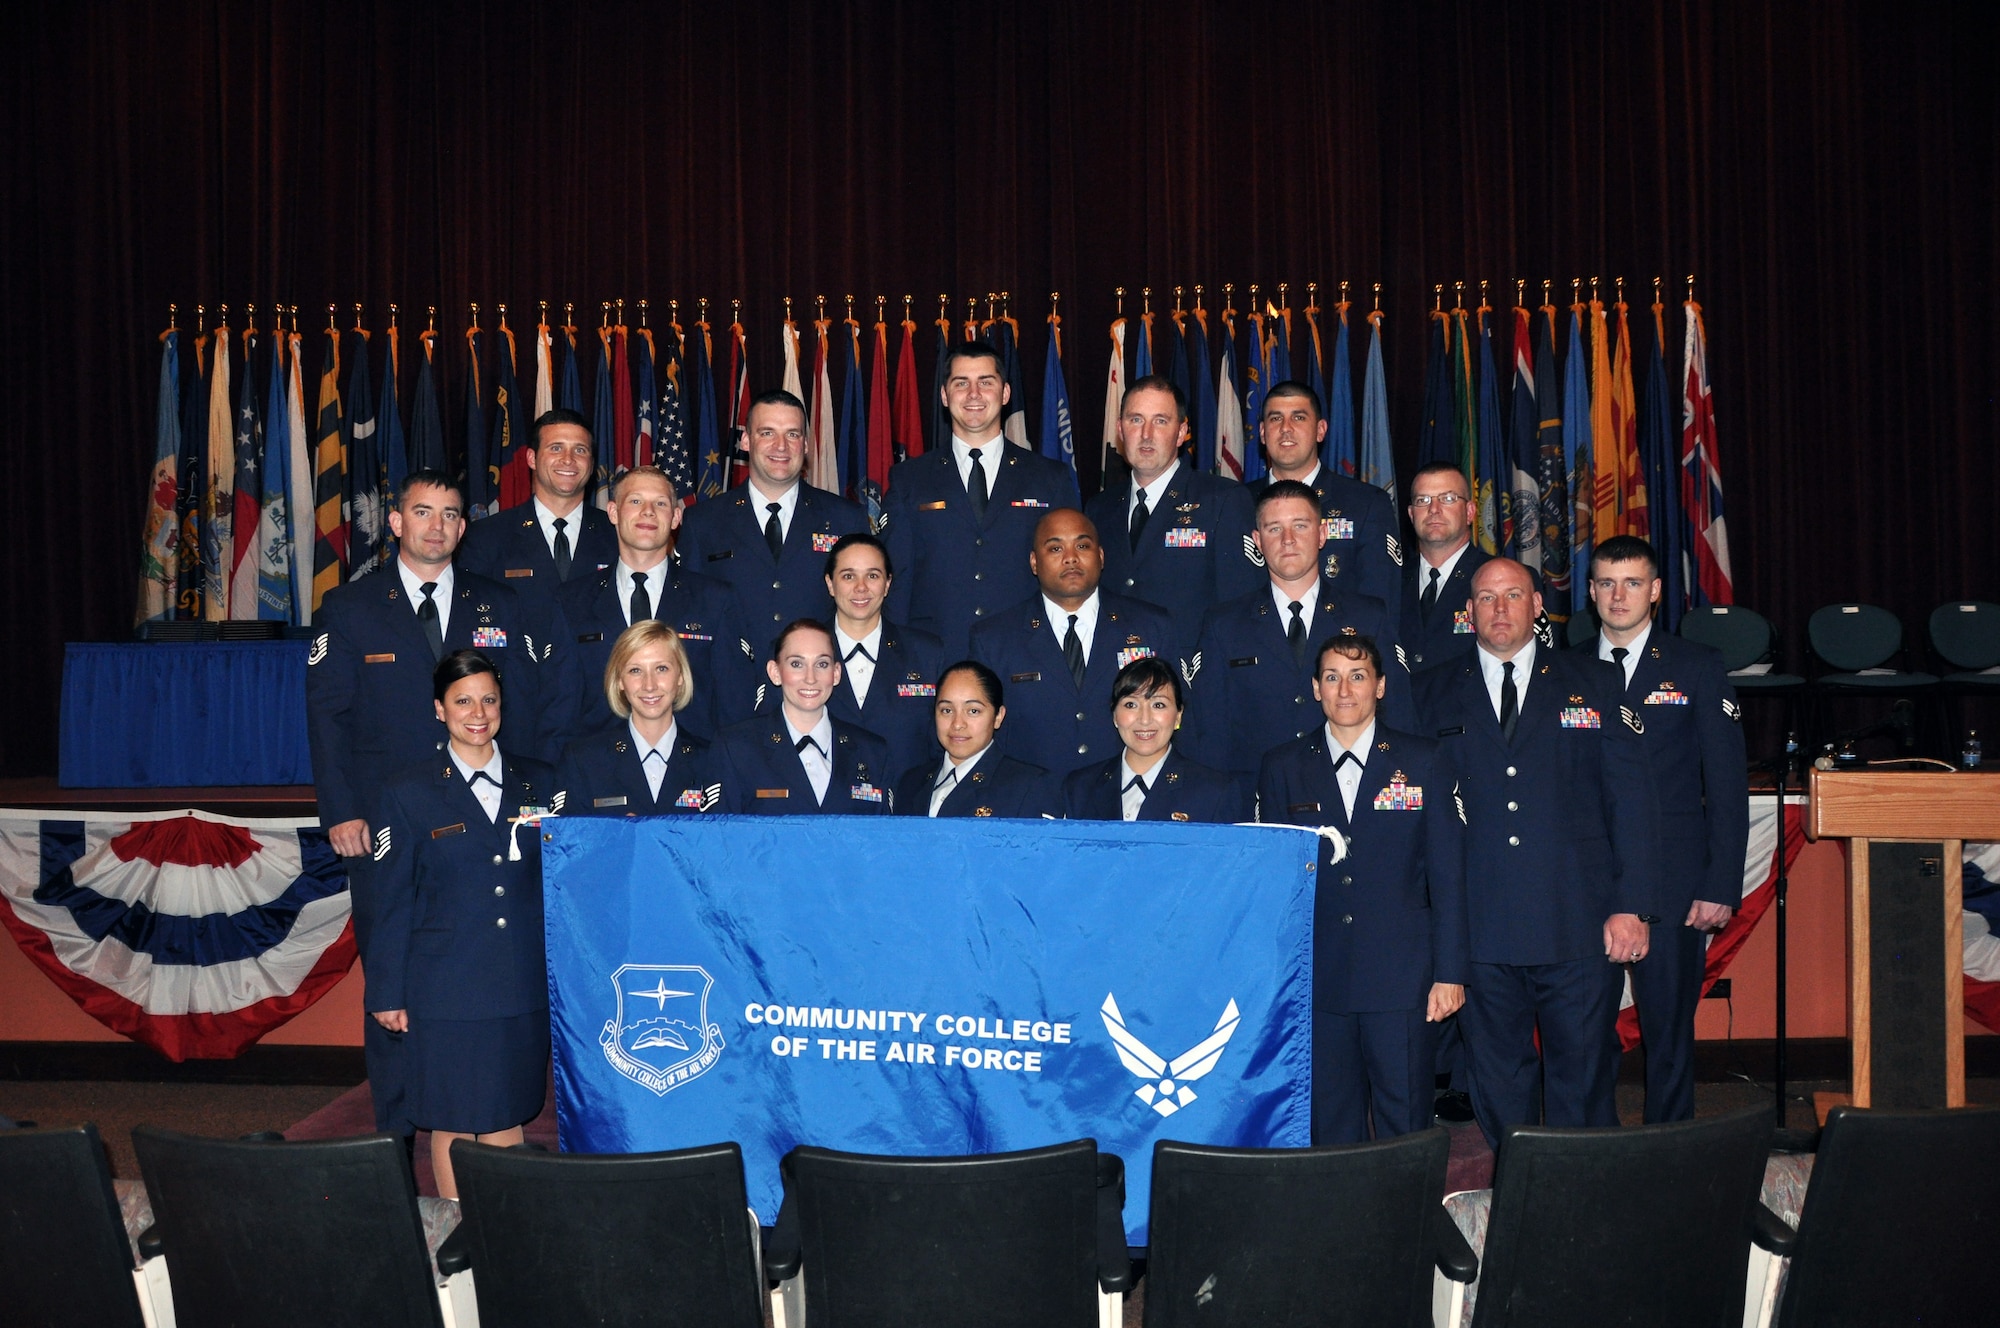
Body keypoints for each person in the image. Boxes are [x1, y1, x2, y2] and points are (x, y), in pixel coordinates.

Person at [306, 469, 552, 1144]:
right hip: (389, 826)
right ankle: (396, 1140)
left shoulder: (498, 603)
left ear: (462, 527)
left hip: (482, 822)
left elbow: (520, 709)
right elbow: (328, 715)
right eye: (423, 512)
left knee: (483, 965)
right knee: (396, 975)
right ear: (395, 522)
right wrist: (342, 811)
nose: (436, 525)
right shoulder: (351, 609)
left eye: (449, 514)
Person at [1412, 557, 1660, 1148]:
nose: (1500, 609)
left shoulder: (1595, 683)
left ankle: (1582, 1200)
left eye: (1514, 595)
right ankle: (1520, 1194)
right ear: (1466, 612)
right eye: (1487, 598)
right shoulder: (1429, 693)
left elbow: (1631, 803)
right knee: (1498, 1080)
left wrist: (1634, 905)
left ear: (1537, 606)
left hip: (1577, 921)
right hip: (1480, 927)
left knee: (1583, 1077)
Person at [1258, 635, 1468, 1144]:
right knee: (1329, 1126)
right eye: (1331, 677)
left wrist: (1450, 973)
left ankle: (1405, 1223)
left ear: (1380, 686)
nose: (1344, 689)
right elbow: (1271, 890)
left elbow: (1448, 875)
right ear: (1315, 688)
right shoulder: (1283, 766)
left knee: (1406, 1122)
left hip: (1403, 981)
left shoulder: (1425, 760)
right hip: (1318, 980)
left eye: (1357, 676)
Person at [366, 650, 558, 1199]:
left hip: (519, 984)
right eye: (463, 700)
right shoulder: (407, 791)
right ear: (438, 708)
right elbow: (391, 899)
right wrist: (387, 991)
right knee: (451, 1117)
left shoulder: (541, 782)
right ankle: (458, 1241)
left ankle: (501, 1235)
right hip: (445, 988)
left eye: (489, 699)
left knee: (505, 1114)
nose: (478, 713)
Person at [1575, 534, 1748, 1122]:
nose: (1617, 596)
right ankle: (1592, 1147)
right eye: (1604, 582)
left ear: (1654, 591)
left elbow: (1725, 786)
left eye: (1631, 583)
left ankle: (1671, 1150)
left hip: (1675, 880)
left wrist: (1721, 881)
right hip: (1588, 879)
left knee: (1669, 1032)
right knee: (1583, 1031)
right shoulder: (1564, 666)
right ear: (1590, 590)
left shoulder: (1696, 666)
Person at [1181, 480, 1411, 776]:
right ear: (1257, 541)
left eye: (1300, 526)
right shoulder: (1224, 625)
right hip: (1257, 804)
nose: (1287, 539)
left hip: (1349, 795)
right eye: (1274, 528)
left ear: (1322, 534)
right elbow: (1209, 732)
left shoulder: (1368, 617)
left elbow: (1398, 718)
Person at [883, 341, 1082, 658]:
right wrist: (897, 658)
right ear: (945, 396)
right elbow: (896, 580)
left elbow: (1069, 576)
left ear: (1005, 393)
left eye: (985, 382)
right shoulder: (909, 481)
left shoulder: (1048, 479)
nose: (973, 394)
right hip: (935, 658)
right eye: (961, 383)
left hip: (1026, 656)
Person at [967, 509, 1177, 776]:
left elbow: (1179, 720)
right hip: (1030, 802)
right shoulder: (994, 639)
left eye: (1082, 545)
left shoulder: (1151, 626)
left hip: (1124, 799)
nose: (1070, 558)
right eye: (1055, 548)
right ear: (1034, 562)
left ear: (1100, 556)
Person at [553, 465, 752, 742]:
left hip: (692, 771)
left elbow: (734, 706)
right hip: (598, 773)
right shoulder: (572, 601)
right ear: (613, 512)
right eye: (635, 501)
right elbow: (560, 709)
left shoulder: (715, 600)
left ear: (676, 517)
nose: (648, 511)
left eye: (660, 503)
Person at [1085, 376, 1259, 656]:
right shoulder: (1099, 508)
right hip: (1116, 678)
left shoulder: (1222, 500)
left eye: (1161, 421)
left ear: (1181, 432)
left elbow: (1240, 607)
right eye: (1136, 420)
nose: (1146, 434)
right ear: (1120, 429)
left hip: (1191, 679)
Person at [673, 389, 870, 636]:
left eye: (792, 434)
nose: (781, 446)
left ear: (806, 444)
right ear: (745, 441)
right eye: (767, 433)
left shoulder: (847, 519)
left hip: (818, 672)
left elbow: (867, 610)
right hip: (731, 673)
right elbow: (689, 615)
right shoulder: (703, 522)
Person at [800, 532, 946, 785]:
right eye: (848, 576)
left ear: (888, 584)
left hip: (906, 809)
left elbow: (943, 742)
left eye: (873, 575)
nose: (861, 587)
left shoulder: (927, 653)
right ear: (830, 584)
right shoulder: (798, 653)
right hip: (822, 814)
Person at [713, 619, 893, 815]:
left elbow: (883, 839)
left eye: (822, 664)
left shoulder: (872, 752)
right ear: (775, 672)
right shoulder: (737, 749)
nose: (810, 678)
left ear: (836, 673)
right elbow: (719, 837)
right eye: (797, 664)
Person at [1248, 381, 1402, 611]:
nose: (1286, 428)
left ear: (1321, 430)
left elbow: (1381, 606)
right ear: (1262, 432)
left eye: (1298, 417)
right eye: (1275, 418)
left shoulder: (1366, 504)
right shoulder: (1236, 503)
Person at [456, 408, 617, 613]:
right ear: (531, 458)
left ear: (592, 463)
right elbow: (470, 613)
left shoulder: (616, 533)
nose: (568, 459)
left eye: (580, 450)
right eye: (556, 448)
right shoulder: (487, 536)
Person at [556, 620, 724, 816]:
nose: (649, 685)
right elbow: (568, 842)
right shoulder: (584, 761)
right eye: (635, 670)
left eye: (661, 668)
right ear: (619, 680)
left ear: (680, 676)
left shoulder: (712, 759)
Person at [1061, 657, 1252, 822]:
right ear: (1114, 715)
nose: (1145, 719)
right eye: (1131, 704)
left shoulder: (1214, 792)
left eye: (1158, 705)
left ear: (1178, 715)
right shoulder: (1080, 788)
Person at [893, 661, 1058, 818]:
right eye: (946, 710)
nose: (957, 724)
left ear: (998, 716)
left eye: (973, 711)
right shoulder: (911, 783)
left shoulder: (1028, 786)